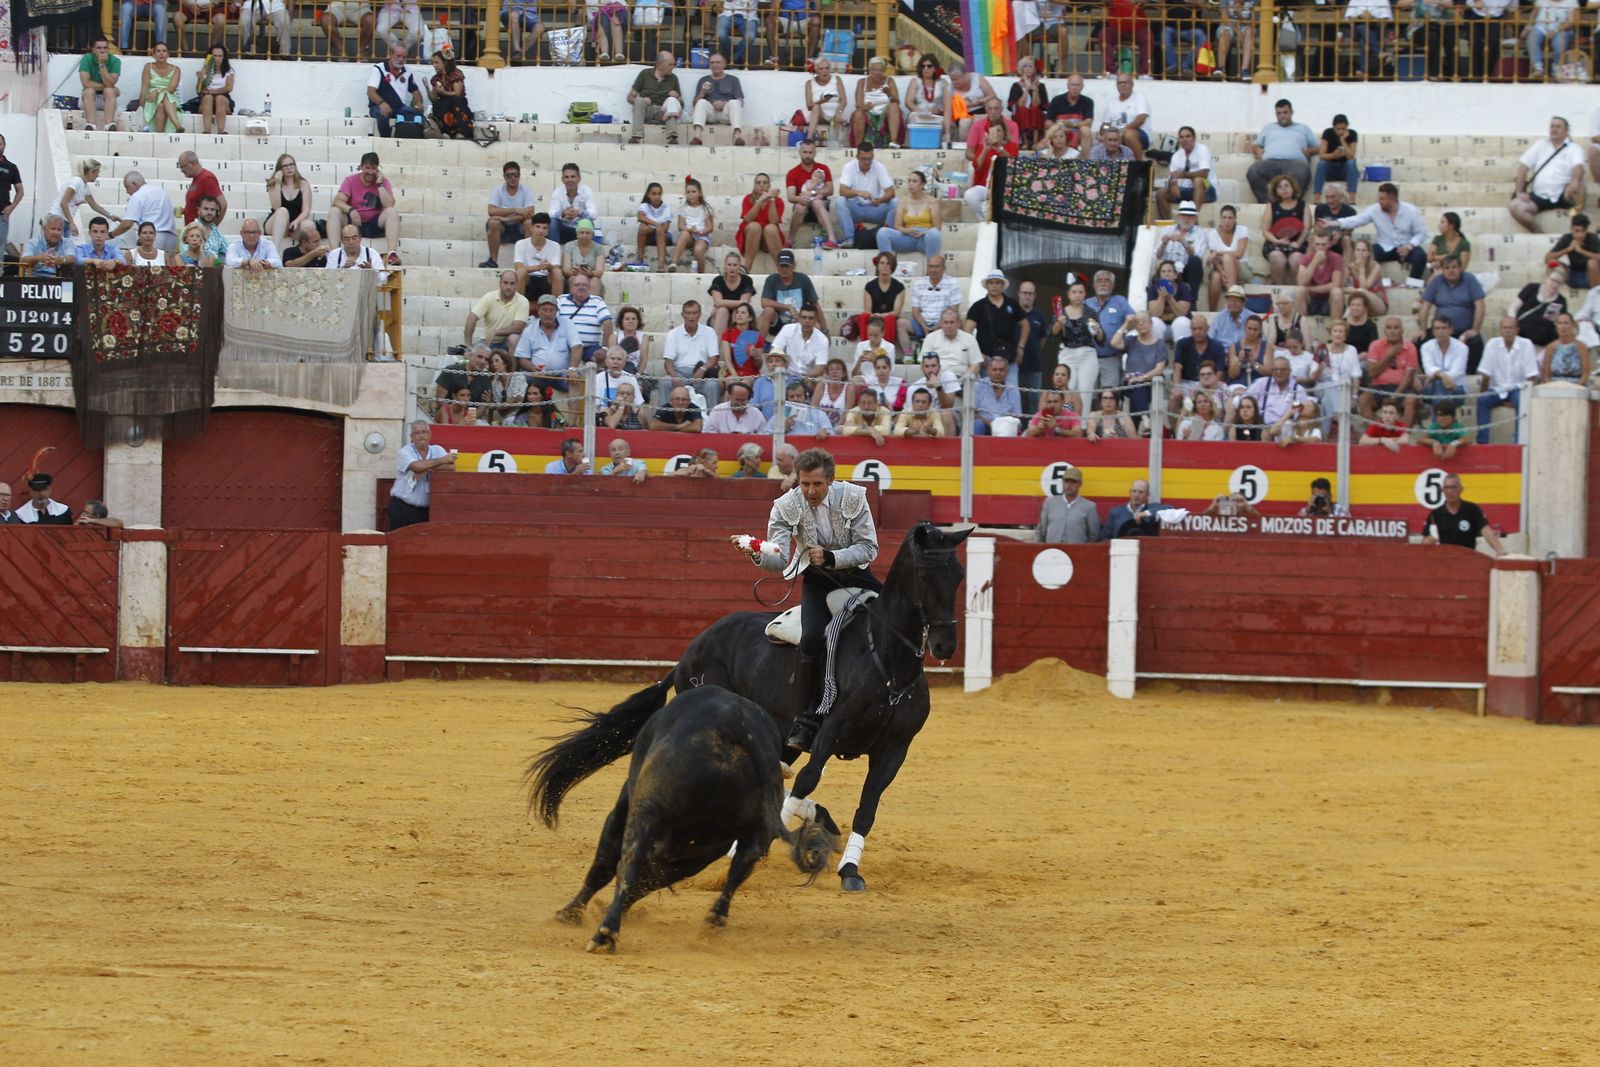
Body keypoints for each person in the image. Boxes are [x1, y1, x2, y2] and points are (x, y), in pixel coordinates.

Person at [745, 447, 881, 755]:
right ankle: (804, 720)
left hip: (857, 575)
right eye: (805, 484)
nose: (810, 491)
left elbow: (869, 548)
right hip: (818, 581)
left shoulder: (854, 497)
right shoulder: (785, 505)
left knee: (892, 623)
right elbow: (778, 560)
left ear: (830, 480)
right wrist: (758, 554)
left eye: (817, 484)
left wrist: (833, 557)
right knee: (810, 638)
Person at [1321, 181, 1428, 288]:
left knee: (1420, 256)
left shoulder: (1411, 210)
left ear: (1392, 199)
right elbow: (1357, 220)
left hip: (1406, 246)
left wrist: (1409, 246)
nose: (1379, 201)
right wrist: (1333, 222)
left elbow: (1421, 233)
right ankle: (1371, 282)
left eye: (1382, 199)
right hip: (1384, 246)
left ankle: (1413, 285)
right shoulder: (1375, 209)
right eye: (1379, 198)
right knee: (1363, 253)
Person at [1511, 116, 1584, 234]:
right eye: (1552, 126)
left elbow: (1578, 167)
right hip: (1540, 196)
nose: (1554, 129)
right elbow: (1523, 167)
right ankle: (1538, 233)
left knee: (1579, 185)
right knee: (1515, 206)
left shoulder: (1574, 148)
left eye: (1558, 127)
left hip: (1564, 194)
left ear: (1566, 131)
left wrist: (1574, 181)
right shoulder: (1541, 144)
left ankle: (1576, 221)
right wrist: (1519, 192)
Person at [1476, 316, 1540, 443]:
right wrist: (1482, 392)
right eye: (1504, 327)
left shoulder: (1526, 344)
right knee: (1482, 400)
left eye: (1510, 327)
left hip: (1519, 389)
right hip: (1498, 389)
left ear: (1517, 330)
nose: (1507, 331)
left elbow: (1532, 376)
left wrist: (1526, 396)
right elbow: (1486, 374)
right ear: (1500, 330)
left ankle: (1517, 441)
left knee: (1521, 401)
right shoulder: (1492, 344)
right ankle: (1482, 442)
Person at [329, 152, 401, 264]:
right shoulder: (350, 180)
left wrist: (380, 185)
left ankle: (392, 254)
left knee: (392, 212)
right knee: (334, 212)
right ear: (361, 167)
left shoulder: (383, 181)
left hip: (374, 224)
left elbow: (389, 204)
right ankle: (335, 253)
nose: (370, 172)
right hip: (353, 223)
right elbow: (337, 201)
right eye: (367, 168)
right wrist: (351, 210)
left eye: (373, 168)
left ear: (377, 169)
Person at [1420, 256, 1487, 373]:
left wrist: (1475, 329)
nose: (1451, 271)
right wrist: (1422, 330)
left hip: (1464, 331)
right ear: (1442, 270)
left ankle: (1467, 375)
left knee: (1476, 342)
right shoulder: (1436, 281)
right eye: (1447, 268)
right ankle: (1431, 375)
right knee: (1420, 340)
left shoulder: (1470, 279)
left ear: (1460, 268)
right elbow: (1425, 306)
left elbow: (1480, 305)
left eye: (1454, 267)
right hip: (1441, 330)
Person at [1247, 99, 1318, 203]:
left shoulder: (1303, 128)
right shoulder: (1268, 127)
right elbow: (1256, 145)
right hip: (1270, 163)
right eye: (1279, 113)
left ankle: (1291, 204)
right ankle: (1268, 203)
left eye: (1285, 112)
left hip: (1295, 164)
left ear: (1291, 112)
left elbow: (1319, 147)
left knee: (1303, 170)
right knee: (1253, 170)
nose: (1282, 116)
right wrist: (1257, 149)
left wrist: (1310, 151)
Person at [390, 421, 455, 529]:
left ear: (430, 435)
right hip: (403, 508)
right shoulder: (405, 451)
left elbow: (451, 467)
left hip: (427, 511)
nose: (421, 436)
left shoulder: (437, 450)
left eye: (424, 432)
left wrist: (426, 466)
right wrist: (441, 460)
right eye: (416, 433)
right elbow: (416, 467)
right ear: (411, 437)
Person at [1422, 473, 1505, 555]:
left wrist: (1501, 551)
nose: (1450, 491)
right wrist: (1427, 542)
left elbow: (1486, 531)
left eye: (1453, 487)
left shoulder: (1472, 509)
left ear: (1461, 489)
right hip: (1444, 562)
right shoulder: (1435, 514)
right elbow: (1424, 541)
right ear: (1442, 490)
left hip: (1467, 561)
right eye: (1446, 487)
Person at [1361, 315, 1421, 425]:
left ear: (1402, 330)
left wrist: (1395, 396)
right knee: (1364, 398)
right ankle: (1376, 430)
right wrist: (1390, 354)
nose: (1392, 331)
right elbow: (1372, 372)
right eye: (1389, 328)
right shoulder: (1375, 345)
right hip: (1379, 387)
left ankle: (1402, 435)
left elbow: (1408, 378)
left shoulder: (1411, 347)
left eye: (1396, 328)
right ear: (1384, 330)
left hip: (1402, 388)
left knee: (1411, 400)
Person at [663, 299, 723, 408]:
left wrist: (703, 369)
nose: (691, 316)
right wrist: (674, 376)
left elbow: (714, 357)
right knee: (666, 382)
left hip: (702, 374)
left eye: (695, 313)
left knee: (713, 385)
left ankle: (711, 421)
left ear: (699, 314)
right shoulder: (673, 334)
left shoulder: (709, 332)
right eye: (688, 313)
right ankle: (663, 417)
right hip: (680, 373)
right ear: (683, 315)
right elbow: (668, 362)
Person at [1111, 312, 1167, 426]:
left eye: (1144, 321)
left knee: (1138, 389)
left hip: (1151, 383)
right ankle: (1145, 418)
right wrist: (1126, 324)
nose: (1141, 324)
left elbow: (1160, 369)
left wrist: (1143, 378)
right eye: (1137, 322)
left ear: (1151, 323)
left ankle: (1137, 426)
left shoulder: (1160, 344)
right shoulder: (1131, 340)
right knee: (1137, 388)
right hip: (1131, 384)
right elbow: (1114, 342)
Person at [902, 254, 962, 357]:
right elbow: (915, 310)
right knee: (900, 323)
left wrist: (937, 326)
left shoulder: (953, 283)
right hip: (922, 323)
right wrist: (924, 326)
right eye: (930, 266)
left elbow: (954, 309)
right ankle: (908, 355)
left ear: (944, 268)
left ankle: (951, 355)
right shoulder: (919, 283)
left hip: (943, 323)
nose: (933, 269)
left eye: (936, 266)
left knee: (959, 322)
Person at [836, 143, 897, 243]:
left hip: (875, 208)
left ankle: (887, 237)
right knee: (840, 202)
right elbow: (842, 191)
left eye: (869, 158)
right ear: (857, 157)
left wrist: (880, 200)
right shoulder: (849, 166)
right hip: (856, 208)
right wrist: (858, 192)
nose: (867, 162)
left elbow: (891, 192)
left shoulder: (879, 167)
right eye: (863, 159)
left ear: (873, 156)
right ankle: (850, 239)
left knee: (895, 202)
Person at [785, 140, 839, 249]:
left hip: (819, 205)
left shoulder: (823, 169)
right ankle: (790, 240)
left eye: (810, 152)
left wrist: (812, 193)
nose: (807, 155)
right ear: (800, 152)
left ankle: (832, 240)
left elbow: (830, 190)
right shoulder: (792, 173)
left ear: (815, 153)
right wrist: (800, 198)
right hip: (802, 207)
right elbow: (791, 197)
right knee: (800, 207)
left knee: (817, 202)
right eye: (805, 152)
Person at [966, 270, 1027, 365]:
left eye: (998, 283)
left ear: (1002, 285)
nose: (994, 286)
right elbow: (967, 332)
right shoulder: (978, 306)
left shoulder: (1012, 304)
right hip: (986, 359)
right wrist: (977, 354)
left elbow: (1026, 325)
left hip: (1009, 358)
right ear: (987, 285)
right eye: (991, 283)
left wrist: (1021, 347)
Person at [876, 171, 942, 258]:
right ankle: (888, 264)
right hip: (907, 237)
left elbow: (937, 227)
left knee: (934, 233)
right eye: (909, 181)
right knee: (882, 232)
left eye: (914, 181)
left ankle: (932, 268)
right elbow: (897, 226)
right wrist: (908, 231)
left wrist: (924, 233)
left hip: (924, 238)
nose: (910, 184)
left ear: (922, 185)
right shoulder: (903, 201)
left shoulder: (932, 201)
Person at [759, 249, 823, 337]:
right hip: (779, 322)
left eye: (787, 266)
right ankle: (759, 345)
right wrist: (788, 307)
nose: (784, 269)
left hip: (800, 321)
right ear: (777, 266)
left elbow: (815, 304)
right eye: (781, 266)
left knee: (817, 326)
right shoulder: (771, 279)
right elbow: (764, 302)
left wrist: (825, 330)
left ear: (794, 266)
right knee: (767, 311)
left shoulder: (803, 279)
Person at [108, 171, 176, 252]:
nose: (127, 191)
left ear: (134, 183)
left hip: (152, 237)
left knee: (151, 264)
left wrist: (111, 235)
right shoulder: (162, 192)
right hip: (171, 237)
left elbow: (127, 224)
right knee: (169, 264)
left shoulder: (137, 196)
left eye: (127, 187)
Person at [367, 44, 425, 138]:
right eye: (398, 56)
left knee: (415, 113)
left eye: (404, 57)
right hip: (378, 106)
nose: (401, 59)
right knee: (383, 115)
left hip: (399, 107)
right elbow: (370, 92)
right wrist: (382, 103)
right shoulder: (379, 69)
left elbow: (415, 91)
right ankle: (386, 139)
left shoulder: (407, 72)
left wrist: (419, 102)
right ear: (391, 54)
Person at [1156, 126, 1214, 218]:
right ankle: (1168, 226)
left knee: (1198, 180)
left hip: (1207, 189)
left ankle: (1194, 219)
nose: (1185, 139)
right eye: (1182, 137)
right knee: (1161, 193)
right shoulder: (1176, 156)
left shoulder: (1203, 149)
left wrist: (1184, 175)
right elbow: (1173, 177)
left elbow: (1204, 173)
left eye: (1188, 136)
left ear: (1194, 138)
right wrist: (1173, 185)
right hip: (1185, 191)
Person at [627, 51, 684, 146]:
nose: (673, 67)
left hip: (664, 112)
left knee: (672, 101)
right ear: (659, 64)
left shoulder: (673, 78)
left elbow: (681, 104)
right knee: (639, 100)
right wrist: (643, 100)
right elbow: (630, 97)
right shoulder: (645, 74)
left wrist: (676, 97)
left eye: (673, 65)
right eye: (670, 65)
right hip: (648, 110)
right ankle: (636, 137)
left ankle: (672, 137)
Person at [1261, 174, 1308, 286]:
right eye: (1280, 187)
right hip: (1276, 243)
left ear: (1293, 188)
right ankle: (1279, 288)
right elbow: (1265, 230)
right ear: (1276, 191)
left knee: (1296, 259)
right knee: (1277, 257)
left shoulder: (1303, 205)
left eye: (1287, 185)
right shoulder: (1271, 206)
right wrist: (1277, 241)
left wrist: (1298, 243)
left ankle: (1298, 289)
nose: (1284, 189)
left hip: (1297, 243)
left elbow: (1307, 227)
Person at [463, 271, 529, 351]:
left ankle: (512, 364)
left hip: (508, 343)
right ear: (500, 283)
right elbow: (471, 318)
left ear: (517, 285)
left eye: (512, 283)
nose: (508, 287)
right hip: (488, 341)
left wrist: (495, 332)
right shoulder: (489, 297)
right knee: (468, 353)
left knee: (514, 338)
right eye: (505, 283)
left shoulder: (523, 301)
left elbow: (518, 328)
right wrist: (468, 344)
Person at [689, 53, 745, 147]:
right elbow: (695, 105)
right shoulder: (703, 80)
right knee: (701, 102)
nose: (715, 65)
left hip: (726, 114)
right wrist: (702, 92)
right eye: (712, 63)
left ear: (724, 64)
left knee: (735, 102)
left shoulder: (733, 80)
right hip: (711, 114)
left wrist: (724, 104)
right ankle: (697, 137)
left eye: (718, 62)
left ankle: (737, 137)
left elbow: (741, 102)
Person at [53, 159, 116, 240]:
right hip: (57, 220)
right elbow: (63, 203)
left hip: (65, 222)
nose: (98, 176)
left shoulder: (85, 187)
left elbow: (94, 205)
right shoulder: (76, 182)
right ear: (91, 172)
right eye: (97, 173)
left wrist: (110, 216)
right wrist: (72, 223)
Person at [556, 272, 614, 363]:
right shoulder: (561, 300)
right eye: (577, 285)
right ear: (571, 287)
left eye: (585, 285)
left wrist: (604, 348)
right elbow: (552, 320)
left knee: (601, 360)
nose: (581, 287)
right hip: (565, 346)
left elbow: (608, 322)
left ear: (590, 288)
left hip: (589, 347)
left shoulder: (597, 301)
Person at [1204, 205, 1252, 310]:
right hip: (1221, 268)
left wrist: (1219, 252)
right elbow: (1215, 260)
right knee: (1216, 277)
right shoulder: (1213, 234)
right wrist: (1222, 272)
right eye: (1224, 218)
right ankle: (1212, 312)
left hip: (1241, 268)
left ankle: (1232, 297)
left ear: (1235, 219)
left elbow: (1239, 254)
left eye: (1230, 218)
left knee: (1227, 257)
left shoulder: (1242, 230)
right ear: (1220, 219)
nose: (1227, 221)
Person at [851, 56, 904, 149]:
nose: (877, 73)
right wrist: (865, 107)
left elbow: (897, 101)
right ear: (870, 70)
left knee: (894, 106)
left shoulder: (889, 81)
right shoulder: (862, 82)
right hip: (868, 112)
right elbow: (858, 104)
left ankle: (893, 142)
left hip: (886, 112)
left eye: (880, 70)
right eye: (874, 70)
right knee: (858, 114)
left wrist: (889, 94)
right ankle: (858, 146)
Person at [737, 173, 786, 272]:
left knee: (771, 228)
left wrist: (771, 199)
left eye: (765, 182)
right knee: (755, 226)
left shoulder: (778, 201)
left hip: (768, 238)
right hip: (751, 235)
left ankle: (782, 270)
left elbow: (774, 221)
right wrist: (759, 202)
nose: (762, 185)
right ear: (754, 186)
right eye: (758, 183)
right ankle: (747, 269)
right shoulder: (748, 199)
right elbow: (747, 219)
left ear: (769, 186)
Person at [1036, 467, 1099, 543]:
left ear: (1080, 484)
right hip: (1052, 551)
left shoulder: (1089, 506)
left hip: (1077, 552)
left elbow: (1093, 535)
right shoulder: (1050, 502)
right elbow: (1041, 530)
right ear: (1063, 482)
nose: (1069, 485)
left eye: (1073, 482)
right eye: (1066, 481)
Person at [1294, 232, 1346, 320]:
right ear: (1313, 244)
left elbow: (1335, 284)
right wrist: (1315, 261)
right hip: (1311, 300)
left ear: (1329, 244)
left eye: (1323, 245)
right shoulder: (1306, 258)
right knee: (1299, 290)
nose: (1320, 248)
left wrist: (1311, 289)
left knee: (1337, 292)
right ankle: (1301, 327)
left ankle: (1335, 327)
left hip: (1329, 299)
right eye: (1317, 244)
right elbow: (1301, 282)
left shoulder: (1336, 257)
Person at [512, 212, 563, 302]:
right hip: (528, 279)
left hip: (547, 280)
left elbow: (556, 267)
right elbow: (518, 267)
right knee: (520, 272)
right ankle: (518, 306)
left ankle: (557, 306)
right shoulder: (520, 244)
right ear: (531, 228)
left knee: (557, 272)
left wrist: (549, 266)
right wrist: (538, 267)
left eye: (544, 228)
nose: (541, 230)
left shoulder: (555, 245)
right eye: (538, 227)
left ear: (548, 230)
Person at [855, 252, 904, 345]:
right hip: (874, 317)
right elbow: (867, 310)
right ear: (877, 266)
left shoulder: (899, 287)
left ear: (892, 267)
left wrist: (884, 315)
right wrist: (874, 315)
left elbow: (896, 311)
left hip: (889, 318)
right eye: (882, 263)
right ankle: (865, 345)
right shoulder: (870, 286)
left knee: (889, 319)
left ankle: (886, 347)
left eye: (888, 263)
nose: (885, 266)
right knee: (863, 317)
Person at [905, 53, 953, 148]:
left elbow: (948, 107)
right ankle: (912, 146)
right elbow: (908, 102)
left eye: (929, 66)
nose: (925, 69)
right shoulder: (915, 81)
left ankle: (941, 143)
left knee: (941, 121)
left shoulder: (943, 83)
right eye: (923, 66)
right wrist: (922, 112)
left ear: (935, 68)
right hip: (919, 113)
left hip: (936, 115)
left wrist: (947, 132)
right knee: (912, 117)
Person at [1419, 317, 1469, 405]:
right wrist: (1442, 375)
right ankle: (1444, 416)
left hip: (1456, 388)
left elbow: (1456, 372)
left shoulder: (1462, 348)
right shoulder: (1426, 347)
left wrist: (1436, 375)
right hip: (1431, 388)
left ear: (1451, 330)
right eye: (1437, 328)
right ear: (1433, 331)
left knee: (1439, 385)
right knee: (1439, 385)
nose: (1441, 331)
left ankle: (1438, 417)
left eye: (1444, 328)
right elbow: (1428, 368)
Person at [670, 178, 716, 275]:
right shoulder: (684, 208)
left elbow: (710, 227)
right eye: (688, 192)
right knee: (684, 234)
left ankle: (701, 274)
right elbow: (680, 226)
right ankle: (674, 263)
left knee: (698, 250)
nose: (690, 194)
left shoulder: (705, 208)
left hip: (702, 236)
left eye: (693, 191)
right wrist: (688, 229)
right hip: (689, 235)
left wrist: (701, 232)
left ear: (700, 193)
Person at [548, 163, 601, 245]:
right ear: (562, 179)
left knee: (588, 220)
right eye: (566, 177)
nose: (570, 180)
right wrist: (563, 213)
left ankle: (587, 252)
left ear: (579, 178)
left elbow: (594, 214)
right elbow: (551, 213)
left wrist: (579, 212)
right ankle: (554, 251)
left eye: (573, 176)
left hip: (580, 229)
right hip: (564, 229)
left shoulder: (587, 191)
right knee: (552, 222)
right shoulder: (557, 192)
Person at [1145, 261, 1194, 348]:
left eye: (1169, 271)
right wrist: (1162, 297)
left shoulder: (1183, 288)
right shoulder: (1153, 289)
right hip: (1162, 327)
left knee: (1182, 321)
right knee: (1154, 322)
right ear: (1160, 276)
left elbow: (1182, 313)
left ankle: (1181, 357)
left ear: (1175, 275)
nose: (1166, 274)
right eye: (1163, 272)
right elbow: (1154, 314)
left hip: (1179, 327)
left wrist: (1170, 298)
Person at [78, 36, 121, 132]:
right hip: (88, 100)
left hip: (108, 100)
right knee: (89, 91)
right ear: (93, 50)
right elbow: (85, 83)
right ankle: (91, 125)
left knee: (109, 91)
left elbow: (110, 83)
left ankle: (109, 125)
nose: (102, 51)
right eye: (99, 48)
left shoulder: (115, 61)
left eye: (105, 48)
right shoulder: (86, 59)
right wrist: (110, 86)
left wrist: (102, 64)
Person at [427, 51, 473, 141]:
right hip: (444, 104)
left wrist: (443, 92)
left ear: (444, 63)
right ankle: (446, 132)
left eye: (436, 63)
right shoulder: (436, 78)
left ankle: (462, 132)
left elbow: (457, 93)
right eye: (433, 63)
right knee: (439, 105)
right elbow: (434, 99)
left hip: (458, 103)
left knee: (453, 101)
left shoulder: (456, 74)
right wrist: (427, 89)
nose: (434, 65)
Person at [138, 42, 183, 135]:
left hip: (170, 100)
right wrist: (141, 106)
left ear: (168, 55)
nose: (161, 53)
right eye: (158, 51)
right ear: (154, 55)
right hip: (151, 99)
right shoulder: (148, 67)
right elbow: (144, 88)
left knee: (163, 101)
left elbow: (171, 88)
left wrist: (157, 91)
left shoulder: (176, 69)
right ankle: (177, 125)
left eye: (164, 51)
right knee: (162, 101)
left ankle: (159, 135)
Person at [1547, 213, 1600, 290]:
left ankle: (1595, 293)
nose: (1580, 234)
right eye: (1577, 231)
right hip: (1572, 273)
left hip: (1590, 276)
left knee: (1592, 263)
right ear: (1571, 229)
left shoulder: (1593, 238)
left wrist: (1581, 251)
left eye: (1583, 231)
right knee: (1552, 262)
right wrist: (1568, 249)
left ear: (1586, 230)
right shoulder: (1567, 238)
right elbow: (1547, 258)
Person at [803, 56, 847, 148]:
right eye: (821, 69)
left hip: (836, 114)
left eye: (827, 68)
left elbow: (843, 100)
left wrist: (839, 112)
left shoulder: (837, 79)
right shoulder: (809, 83)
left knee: (838, 114)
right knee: (816, 107)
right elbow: (809, 105)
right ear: (816, 70)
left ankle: (837, 143)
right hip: (820, 115)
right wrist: (822, 101)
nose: (825, 71)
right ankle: (809, 139)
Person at [708, 252, 756, 334]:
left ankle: (735, 344)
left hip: (738, 313)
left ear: (739, 266)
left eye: (735, 265)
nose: (732, 268)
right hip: (719, 315)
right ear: (725, 266)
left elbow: (743, 305)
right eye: (729, 265)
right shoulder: (718, 280)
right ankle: (716, 345)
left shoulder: (746, 280)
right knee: (722, 311)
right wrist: (739, 303)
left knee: (737, 312)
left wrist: (723, 303)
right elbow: (718, 302)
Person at [1007, 57, 1048, 151]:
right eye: (1025, 66)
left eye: (1031, 66)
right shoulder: (1016, 86)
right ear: (1022, 69)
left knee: (1034, 109)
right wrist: (1026, 89)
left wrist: (1035, 89)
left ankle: (1035, 141)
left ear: (1035, 69)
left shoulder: (1041, 86)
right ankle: (1025, 141)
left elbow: (1036, 104)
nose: (1028, 68)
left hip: (1036, 116)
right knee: (1023, 110)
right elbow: (1020, 105)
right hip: (1021, 115)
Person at [1044, 73, 1094, 149]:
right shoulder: (1057, 100)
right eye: (1072, 85)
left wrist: (1073, 125)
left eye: (1077, 85)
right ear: (1068, 86)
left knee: (1085, 130)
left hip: (1077, 133)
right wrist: (1060, 128)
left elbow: (1088, 122)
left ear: (1082, 87)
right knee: (1038, 146)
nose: (1075, 88)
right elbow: (1048, 122)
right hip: (1059, 133)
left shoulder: (1088, 101)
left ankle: (1084, 158)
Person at [635, 181, 675, 273]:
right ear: (648, 195)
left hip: (665, 236)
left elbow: (666, 228)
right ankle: (640, 259)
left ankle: (661, 265)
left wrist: (657, 227)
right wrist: (656, 225)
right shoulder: (644, 206)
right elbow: (640, 217)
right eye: (654, 194)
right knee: (642, 228)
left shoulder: (666, 207)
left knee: (659, 230)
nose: (657, 196)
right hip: (649, 235)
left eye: (659, 194)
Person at [1541, 311, 1591, 384]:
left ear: (1572, 325)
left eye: (1566, 323)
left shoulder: (1582, 347)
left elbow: (1585, 374)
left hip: (1576, 386)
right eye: (1560, 323)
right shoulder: (1550, 347)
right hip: (1554, 385)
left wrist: (1575, 387)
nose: (1563, 326)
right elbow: (1546, 376)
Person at [1315, 114, 1359, 195]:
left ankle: (1352, 197)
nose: (1340, 131)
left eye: (1343, 129)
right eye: (1338, 129)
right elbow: (1321, 155)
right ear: (1334, 127)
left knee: (1351, 163)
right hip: (1331, 168)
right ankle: (1317, 197)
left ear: (1347, 127)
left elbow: (1351, 156)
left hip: (1345, 169)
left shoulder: (1352, 134)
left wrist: (1343, 140)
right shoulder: (1328, 133)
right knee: (1321, 164)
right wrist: (1333, 155)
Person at [195, 44, 233, 136]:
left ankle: (221, 130)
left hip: (223, 97)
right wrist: (200, 79)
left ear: (224, 57)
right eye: (215, 56)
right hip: (208, 98)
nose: (217, 58)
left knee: (219, 98)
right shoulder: (205, 71)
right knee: (208, 98)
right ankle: (207, 130)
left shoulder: (228, 71)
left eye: (220, 56)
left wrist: (213, 91)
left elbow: (229, 88)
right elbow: (198, 90)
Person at [704, 380, 768, 433]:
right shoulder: (717, 411)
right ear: (730, 396)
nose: (739, 403)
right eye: (737, 399)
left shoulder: (756, 413)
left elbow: (763, 435)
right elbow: (709, 434)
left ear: (748, 399)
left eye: (743, 400)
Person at [717, 0, 758, 65]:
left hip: (749, 16)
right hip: (728, 13)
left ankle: (732, 59)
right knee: (720, 34)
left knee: (750, 37)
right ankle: (737, 57)